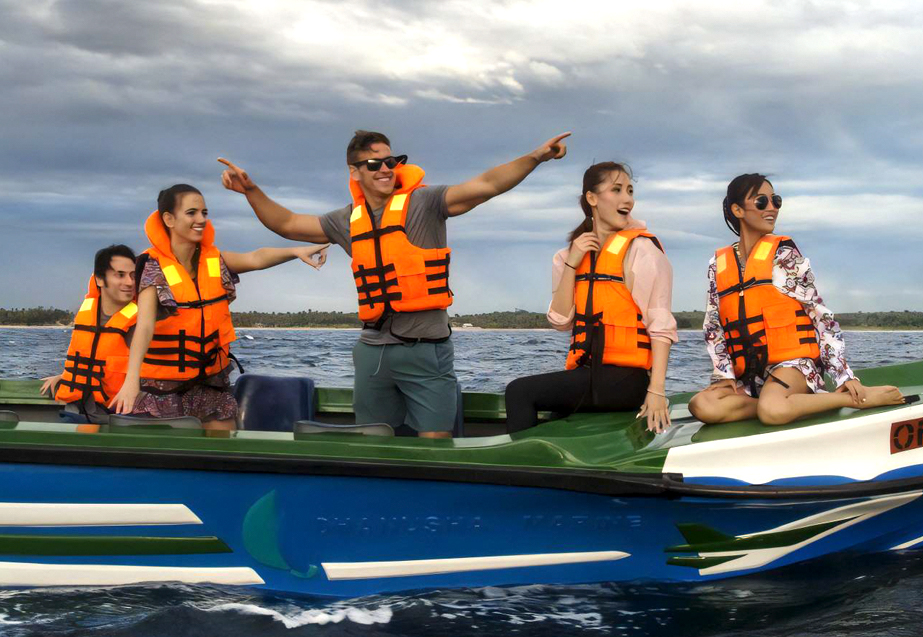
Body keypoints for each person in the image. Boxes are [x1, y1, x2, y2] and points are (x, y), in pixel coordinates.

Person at [217, 129, 570, 438]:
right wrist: (251, 190)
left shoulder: (426, 203)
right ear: (354, 172)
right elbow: (289, 224)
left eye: (392, 161)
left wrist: (536, 157)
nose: (386, 168)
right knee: (374, 439)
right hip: (372, 352)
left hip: (426, 350)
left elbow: (486, 185)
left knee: (435, 439)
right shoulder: (346, 220)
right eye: (374, 164)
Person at [688, 174, 903, 426]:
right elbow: (714, 328)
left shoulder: (785, 257)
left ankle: (847, 400)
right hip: (750, 377)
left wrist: (845, 377)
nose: (772, 208)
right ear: (737, 209)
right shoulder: (718, 265)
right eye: (761, 202)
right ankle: (784, 405)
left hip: (795, 366)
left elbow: (822, 319)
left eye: (775, 201)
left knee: (772, 410)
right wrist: (724, 375)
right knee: (701, 405)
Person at [109, 184, 328, 430]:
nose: (201, 219)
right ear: (169, 219)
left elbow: (255, 258)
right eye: (191, 213)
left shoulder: (214, 260)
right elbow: (145, 325)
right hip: (162, 390)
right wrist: (131, 381)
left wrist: (297, 250)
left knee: (224, 446)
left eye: (204, 213)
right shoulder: (152, 266)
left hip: (210, 386)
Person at [504, 162, 676, 434]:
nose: (627, 199)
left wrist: (656, 391)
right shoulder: (566, 256)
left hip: (627, 379)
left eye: (630, 191)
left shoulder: (641, 250)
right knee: (556, 415)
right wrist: (572, 264)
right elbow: (560, 321)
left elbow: (661, 325)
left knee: (519, 392)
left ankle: (514, 470)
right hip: (587, 373)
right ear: (592, 198)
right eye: (617, 190)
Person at [41, 244, 140, 421]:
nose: (129, 282)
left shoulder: (139, 323)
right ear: (100, 279)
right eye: (120, 275)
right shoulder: (87, 312)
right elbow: (89, 358)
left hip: (116, 416)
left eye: (133, 276)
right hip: (76, 411)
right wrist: (63, 376)